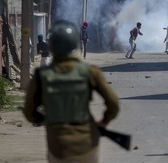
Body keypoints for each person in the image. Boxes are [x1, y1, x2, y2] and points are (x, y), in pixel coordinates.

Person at [23, 20, 120, 163]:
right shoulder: (90, 71)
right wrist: (104, 121)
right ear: (75, 44)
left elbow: (29, 112)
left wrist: (44, 119)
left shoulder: (41, 75)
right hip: (87, 143)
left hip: (59, 147)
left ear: (52, 46)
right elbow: (114, 104)